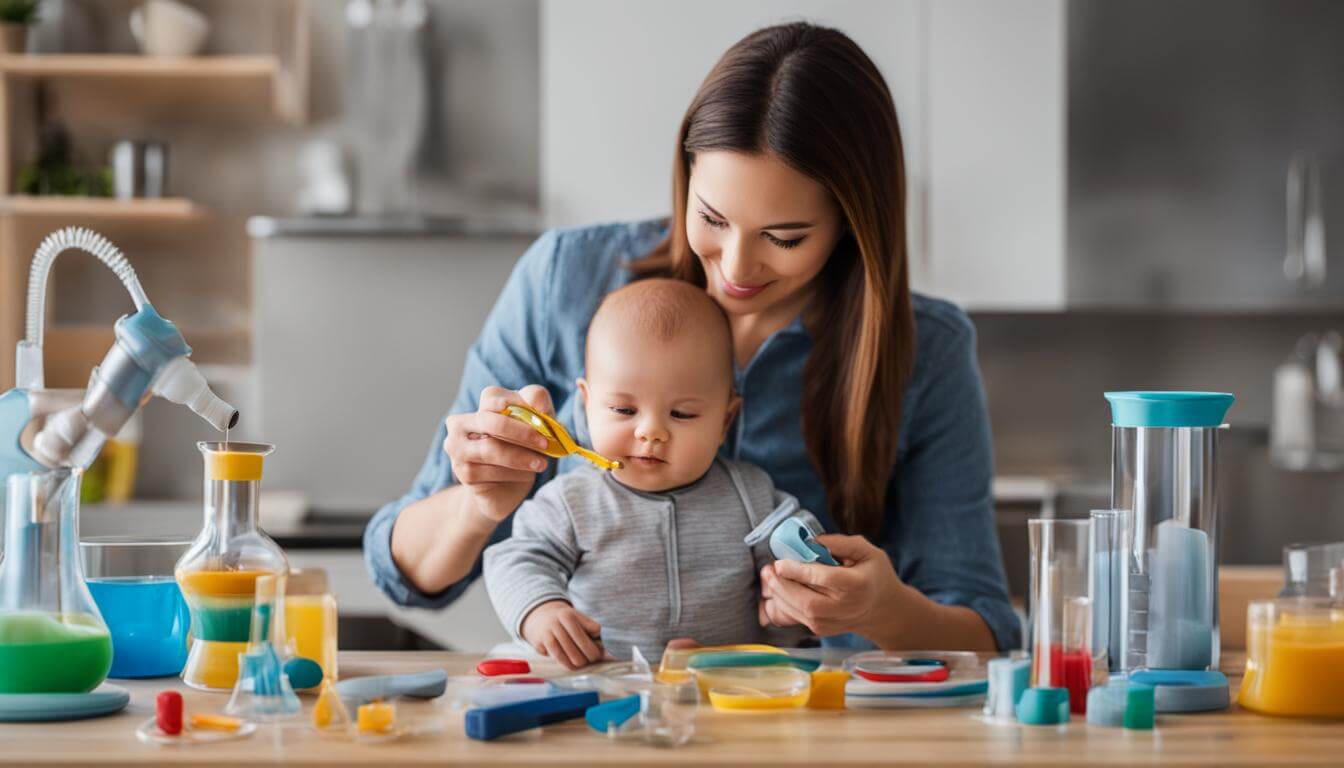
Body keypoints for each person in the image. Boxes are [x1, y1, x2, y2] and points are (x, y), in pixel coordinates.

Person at [365, 21, 1020, 653]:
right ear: (685, 177)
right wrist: (477, 505)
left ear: (852, 224)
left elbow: (987, 631)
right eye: (712, 217)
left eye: (785, 237)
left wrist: (883, 610)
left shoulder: (925, 350)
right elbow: (406, 575)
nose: (735, 267)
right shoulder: (563, 282)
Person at [483, 279, 817, 667]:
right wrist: (541, 612)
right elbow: (515, 559)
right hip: (606, 682)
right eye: (624, 411)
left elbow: (797, 550)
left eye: (683, 414)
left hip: (727, 688)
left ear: (725, 420)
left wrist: (794, 598)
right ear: (587, 404)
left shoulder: (752, 496)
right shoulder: (571, 502)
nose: (651, 432)